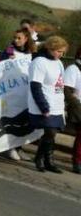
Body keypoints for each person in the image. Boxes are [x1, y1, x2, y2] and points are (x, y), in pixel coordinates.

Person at [28, 36, 69, 173]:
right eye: (58, 51)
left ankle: (48, 161)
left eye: (63, 52)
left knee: (53, 133)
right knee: (50, 132)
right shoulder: (39, 62)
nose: (61, 55)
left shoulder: (59, 63)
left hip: (57, 103)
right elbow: (35, 86)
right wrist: (43, 106)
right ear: (49, 48)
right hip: (45, 103)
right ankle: (40, 159)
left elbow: (59, 84)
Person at [62, 47, 81, 174]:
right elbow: (67, 90)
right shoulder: (73, 69)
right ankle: (77, 162)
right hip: (78, 106)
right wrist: (76, 104)